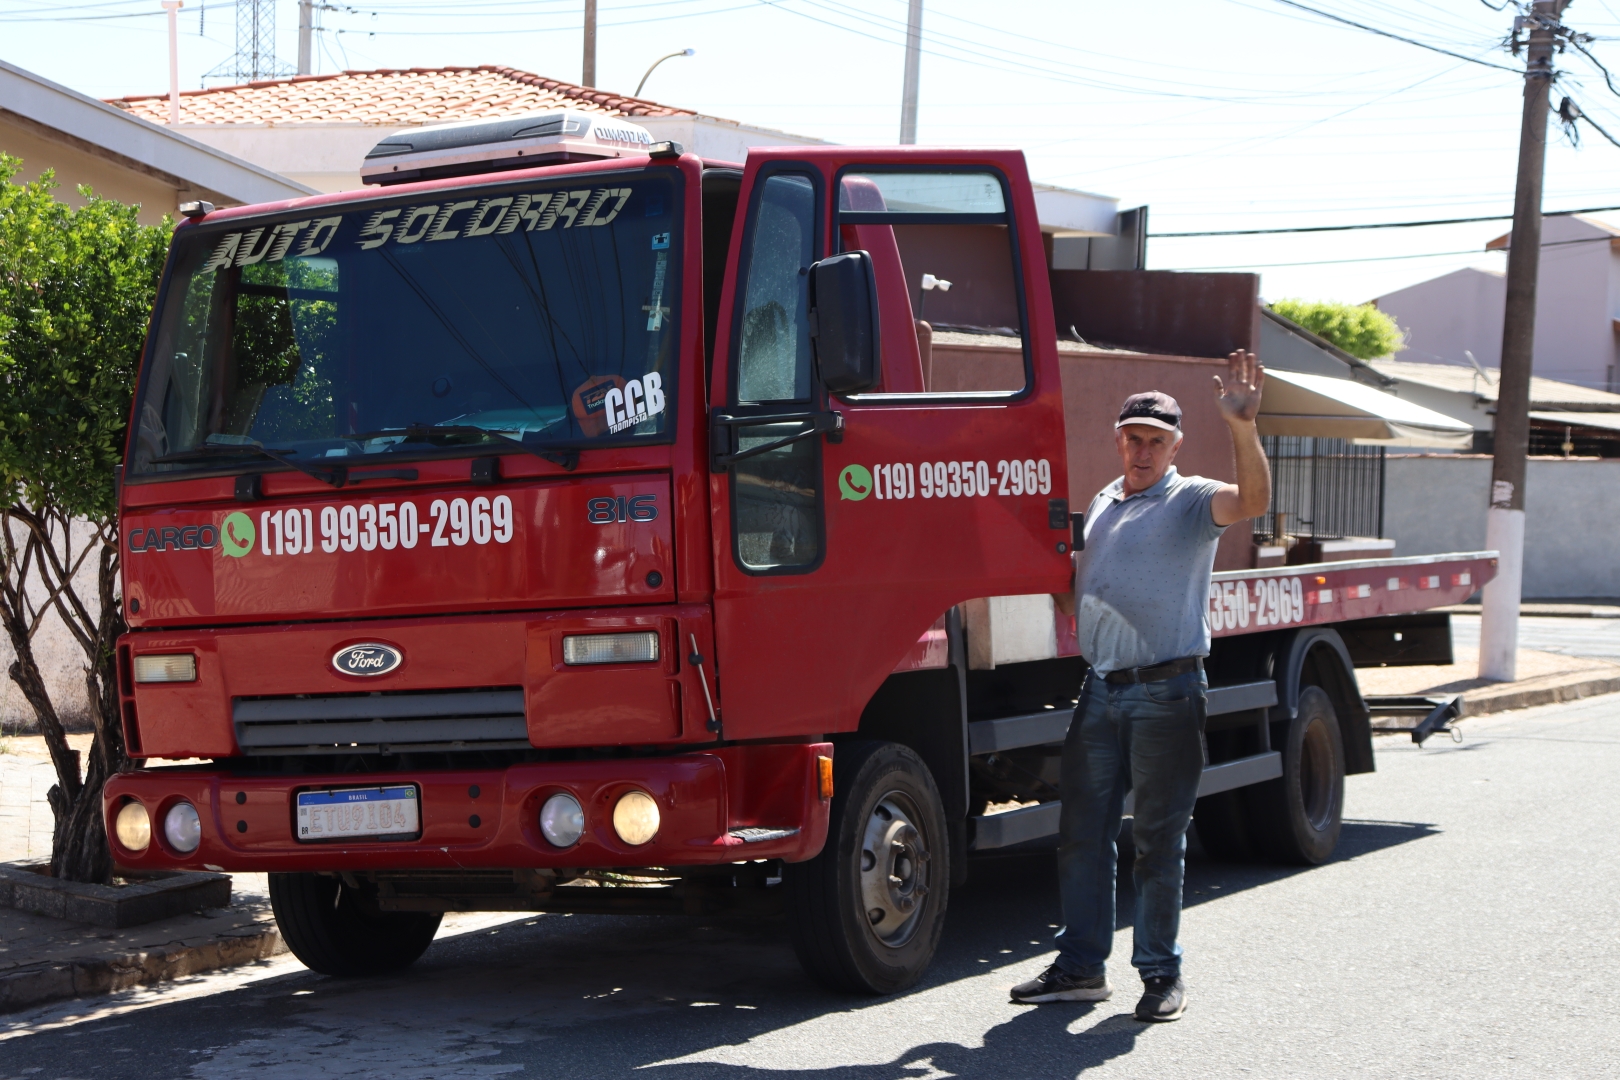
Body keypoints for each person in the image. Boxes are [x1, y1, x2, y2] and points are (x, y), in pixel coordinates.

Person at [1010, 350, 1270, 1022]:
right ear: (1119, 439)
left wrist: (1242, 426)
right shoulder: (1103, 501)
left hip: (1167, 691)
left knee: (1157, 840)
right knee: (1081, 834)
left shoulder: (1188, 500)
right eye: (1133, 437)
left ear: (1174, 446)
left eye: (1155, 440)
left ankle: (1159, 974)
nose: (1143, 450)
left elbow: (1254, 502)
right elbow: (1078, 598)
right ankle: (1080, 969)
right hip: (1099, 688)